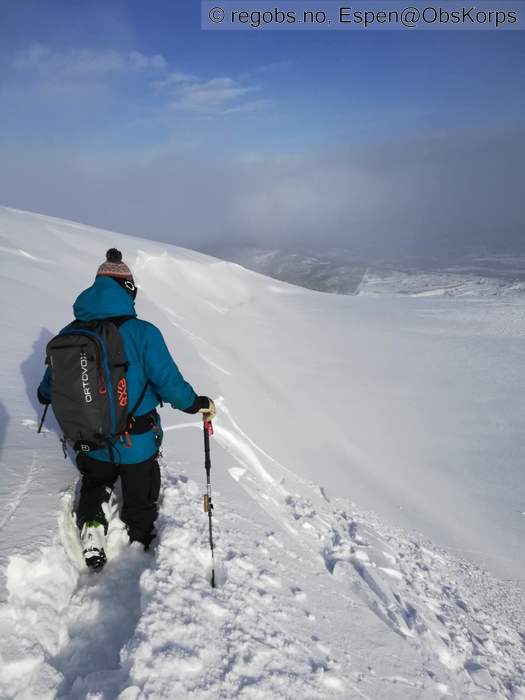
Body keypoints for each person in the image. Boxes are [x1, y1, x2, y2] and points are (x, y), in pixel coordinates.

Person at [37, 249, 215, 567]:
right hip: (137, 443)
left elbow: (49, 387)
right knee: (141, 493)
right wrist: (195, 404)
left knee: (95, 482)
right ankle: (139, 540)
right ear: (128, 290)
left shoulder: (71, 333)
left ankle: (92, 525)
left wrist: (44, 394)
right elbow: (169, 382)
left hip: (90, 439)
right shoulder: (143, 332)